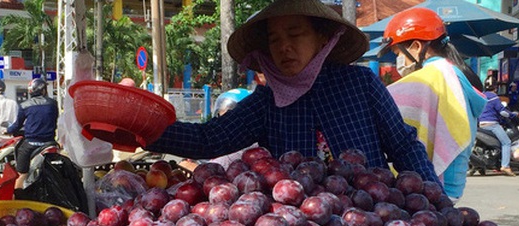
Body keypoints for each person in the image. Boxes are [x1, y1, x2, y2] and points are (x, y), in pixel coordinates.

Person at [146, 0, 442, 187]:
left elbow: (403, 146)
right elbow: (208, 139)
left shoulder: (360, 83)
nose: (283, 46)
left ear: (322, 38)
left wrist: (434, 199)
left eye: (295, 34)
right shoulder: (266, 101)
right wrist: (139, 128)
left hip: (371, 222)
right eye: (274, 40)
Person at [377, 8, 487, 202]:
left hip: (435, 183)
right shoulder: (455, 72)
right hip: (453, 183)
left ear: (417, 46)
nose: (397, 61)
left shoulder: (434, 75)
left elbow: (385, 103)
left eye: (397, 53)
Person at [7, 78, 59, 189]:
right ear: (43, 90)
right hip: (50, 143)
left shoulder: (24, 105)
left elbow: (17, 125)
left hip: (31, 144)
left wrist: (8, 130)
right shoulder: (53, 104)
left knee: (21, 173)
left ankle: (18, 194)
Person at [478, 80, 519, 177]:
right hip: (492, 124)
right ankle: (505, 166)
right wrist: (512, 115)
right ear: (495, 88)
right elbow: (502, 112)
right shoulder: (494, 97)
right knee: (506, 142)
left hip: (481, 124)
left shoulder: (482, 96)